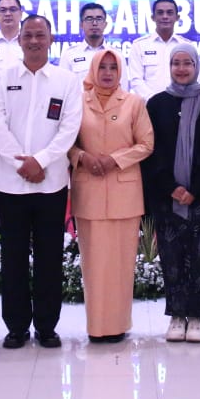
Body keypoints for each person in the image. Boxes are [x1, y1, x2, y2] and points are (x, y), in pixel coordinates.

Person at [0, 14, 82, 349]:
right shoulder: (3, 77)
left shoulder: (67, 81)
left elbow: (69, 128)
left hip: (50, 183)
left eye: (41, 35)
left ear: (51, 40)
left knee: (49, 257)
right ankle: (16, 327)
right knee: (13, 258)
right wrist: (21, 163)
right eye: (28, 35)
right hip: (10, 184)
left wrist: (40, 161)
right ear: (20, 39)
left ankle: (46, 326)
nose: (34, 41)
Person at [68, 49, 154, 342]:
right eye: (102, 67)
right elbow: (66, 142)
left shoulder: (133, 102)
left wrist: (115, 160)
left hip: (124, 193)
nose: (107, 73)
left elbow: (146, 144)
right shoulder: (77, 102)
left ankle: (118, 325)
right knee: (94, 264)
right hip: (89, 191)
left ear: (120, 72)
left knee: (121, 264)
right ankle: (97, 327)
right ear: (93, 70)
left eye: (112, 68)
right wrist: (82, 157)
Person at [144, 46, 200, 344]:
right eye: (176, 63)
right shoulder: (156, 104)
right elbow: (152, 151)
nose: (181, 69)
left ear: (196, 66)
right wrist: (171, 187)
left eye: (187, 63)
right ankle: (177, 315)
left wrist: (195, 189)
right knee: (172, 257)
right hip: (166, 195)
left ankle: (198, 316)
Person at [127, 0, 195, 98]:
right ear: (153, 17)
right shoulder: (139, 46)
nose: (165, 16)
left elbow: (193, 79)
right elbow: (136, 81)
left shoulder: (187, 46)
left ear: (177, 17)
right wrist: (154, 101)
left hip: (181, 103)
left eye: (169, 13)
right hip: (149, 105)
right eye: (160, 13)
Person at [63, 2, 112, 76]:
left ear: (105, 24)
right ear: (81, 24)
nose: (94, 23)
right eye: (89, 19)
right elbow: (63, 82)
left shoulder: (117, 55)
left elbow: (123, 83)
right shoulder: (69, 55)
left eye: (99, 19)